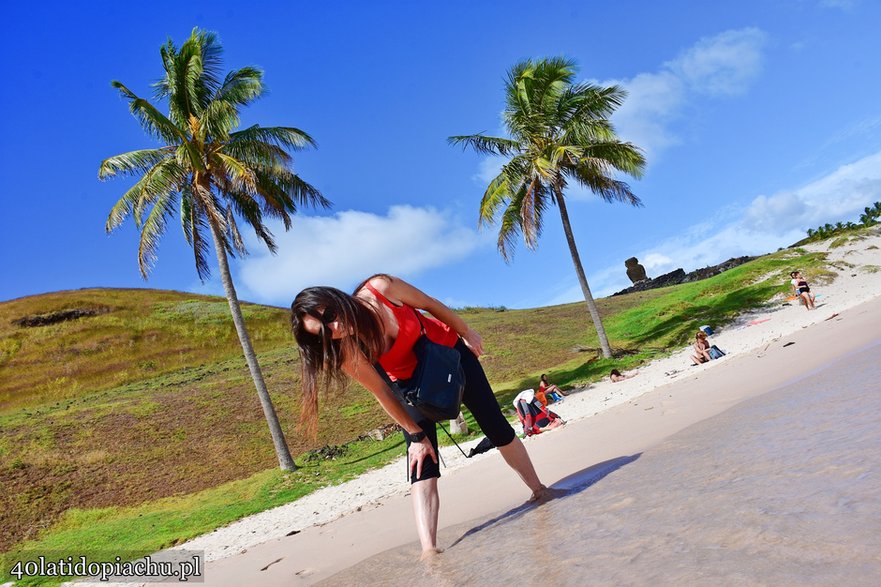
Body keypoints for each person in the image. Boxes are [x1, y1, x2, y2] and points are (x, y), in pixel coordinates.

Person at [290, 274, 548, 558]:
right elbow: (382, 392)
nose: (335, 327)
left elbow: (430, 304)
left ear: (334, 298)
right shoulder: (346, 352)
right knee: (422, 460)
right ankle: (429, 552)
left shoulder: (382, 289)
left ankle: (539, 491)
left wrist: (466, 331)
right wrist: (415, 435)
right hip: (410, 386)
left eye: (330, 315)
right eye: (324, 332)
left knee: (496, 428)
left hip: (451, 356)